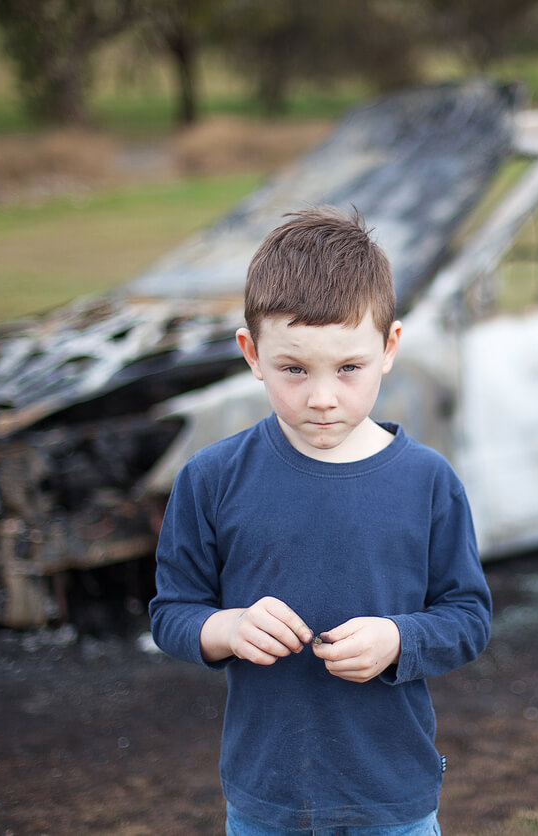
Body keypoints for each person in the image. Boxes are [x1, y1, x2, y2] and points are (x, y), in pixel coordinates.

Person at [149, 206, 492, 835]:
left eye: (349, 368)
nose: (323, 397)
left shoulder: (427, 481)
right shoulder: (211, 478)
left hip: (392, 797)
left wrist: (398, 640)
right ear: (252, 353)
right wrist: (228, 627)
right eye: (294, 369)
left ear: (389, 347)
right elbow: (173, 613)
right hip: (266, 798)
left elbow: (468, 618)